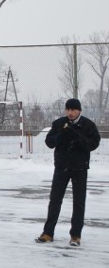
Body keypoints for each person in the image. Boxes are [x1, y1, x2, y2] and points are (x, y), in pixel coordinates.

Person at [36, 98, 100, 247]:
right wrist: (61, 136)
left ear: (79, 111)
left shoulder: (88, 125)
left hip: (80, 168)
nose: (70, 113)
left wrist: (76, 137)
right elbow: (49, 142)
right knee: (55, 200)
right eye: (68, 110)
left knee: (79, 202)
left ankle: (75, 235)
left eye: (73, 110)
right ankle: (48, 233)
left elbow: (93, 144)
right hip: (61, 167)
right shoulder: (59, 124)